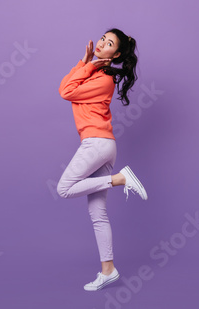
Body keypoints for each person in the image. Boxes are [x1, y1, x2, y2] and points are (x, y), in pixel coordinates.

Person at [57, 28, 148, 291]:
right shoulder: (96, 71)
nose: (101, 44)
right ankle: (108, 270)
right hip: (102, 145)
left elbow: (66, 90)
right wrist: (85, 62)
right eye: (102, 39)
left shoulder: (105, 79)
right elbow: (71, 85)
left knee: (64, 189)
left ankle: (120, 178)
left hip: (97, 144)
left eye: (109, 44)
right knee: (98, 214)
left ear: (115, 54)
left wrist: (84, 65)